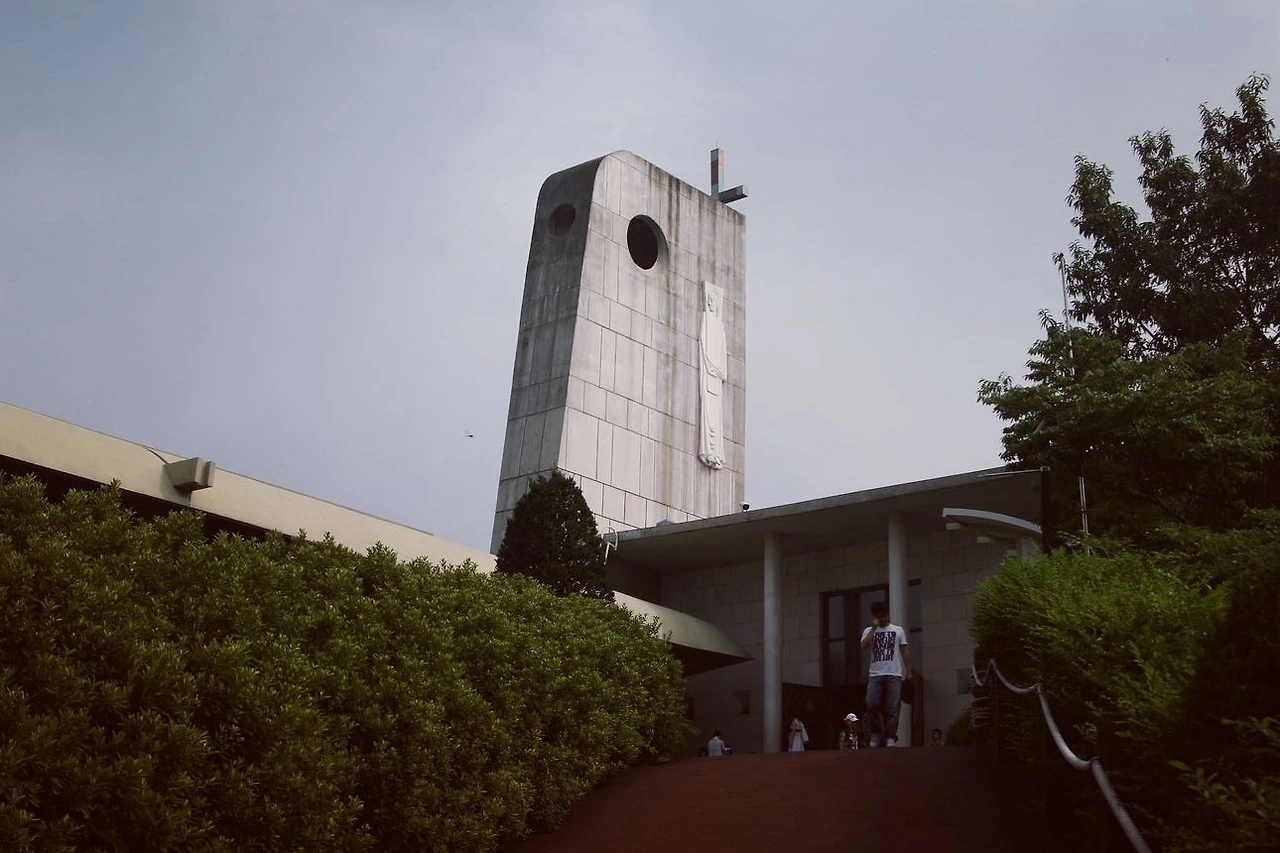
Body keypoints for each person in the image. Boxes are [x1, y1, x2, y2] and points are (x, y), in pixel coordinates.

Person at [860, 601, 912, 747]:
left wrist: (909, 671)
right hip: (875, 674)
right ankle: (875, 732)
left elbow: (905, 651)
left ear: (887, 615)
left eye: (884, 616)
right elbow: (863, 645)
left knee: (893, 706)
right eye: (879, 617)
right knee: (871, 703)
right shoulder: (869, 630)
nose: (882, 619)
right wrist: (873, 629)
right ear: (875, 617)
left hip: (893, 673)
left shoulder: (897, 630)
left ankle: (890, 736)